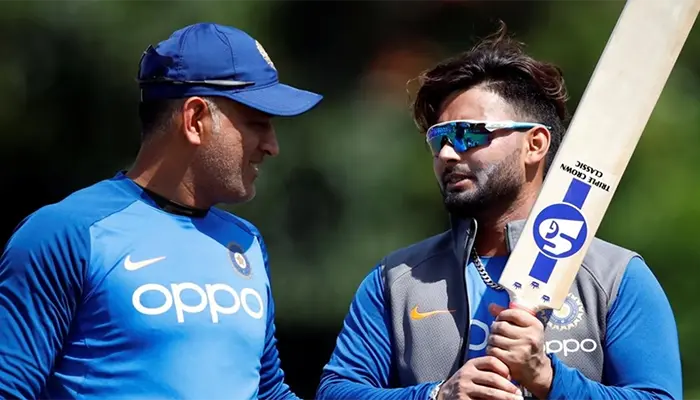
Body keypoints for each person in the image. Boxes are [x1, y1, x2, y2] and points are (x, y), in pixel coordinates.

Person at [315, 24, 682, 400]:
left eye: (468, 134)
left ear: (534, 144)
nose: (446, 154)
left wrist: (550, 380)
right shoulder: (396, 280)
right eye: (438, 139)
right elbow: (336, 393)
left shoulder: (614, 277)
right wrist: (437, 395)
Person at [0, 22, 322, 399]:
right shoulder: (66, 233)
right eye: (258, 124)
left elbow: (266, 391)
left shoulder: (246, 242)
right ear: (195, 119)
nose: (272, 146)